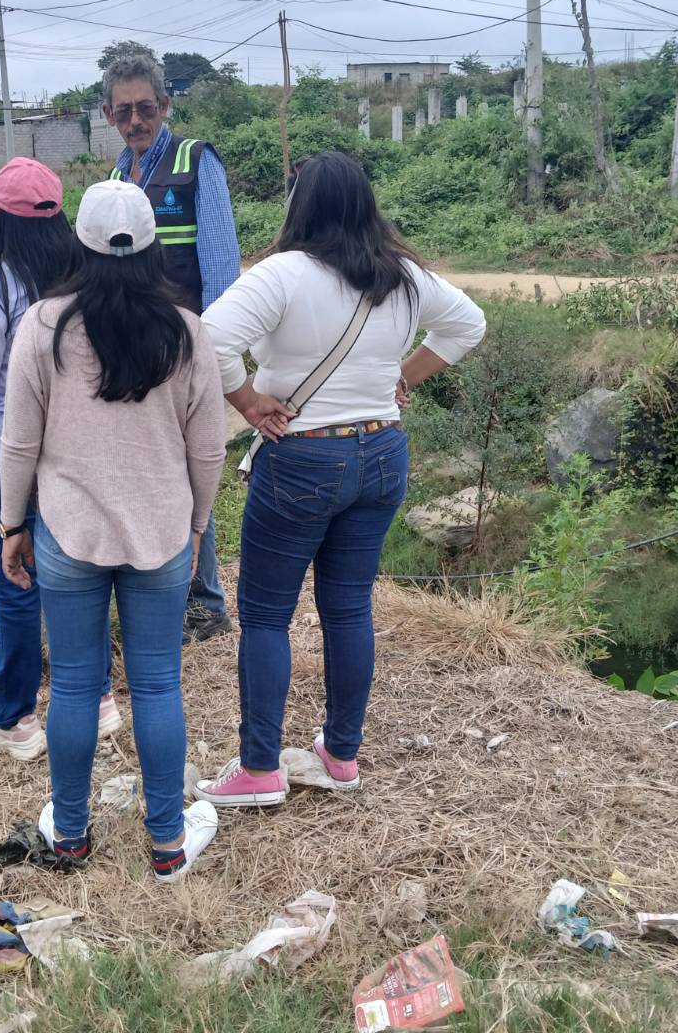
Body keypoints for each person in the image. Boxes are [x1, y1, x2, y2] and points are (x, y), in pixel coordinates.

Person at [194, 152, 486, 808]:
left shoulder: (281, 275)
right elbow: (469, 324)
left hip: (302, 457)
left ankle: (260, 768)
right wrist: (404, 376)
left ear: (298, 205)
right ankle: (341, 754)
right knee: (349, 607)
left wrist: (248, 402)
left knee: (266, 616)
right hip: (381, 451)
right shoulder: (403, 275)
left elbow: (209, 340)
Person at [0, 179, 226, 882]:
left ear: (80, 243)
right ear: (154, 246)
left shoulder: (43, 325)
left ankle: (69, 835)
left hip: (69, 532)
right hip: (161, 531)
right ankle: (166, 844)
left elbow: (19, 442)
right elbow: (208, 449)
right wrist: (198, 525)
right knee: (157, 685)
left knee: (72, 686)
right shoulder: (186, 331)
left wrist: (12, 523)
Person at [0, 157, 118, 762]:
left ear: (1, 219)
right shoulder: (86, 276)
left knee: (13, 579)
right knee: (79, 574)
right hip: (75, 454)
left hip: (3, 458)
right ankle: (97, 697)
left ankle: (15, 718)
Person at [102, 51, 240, 645]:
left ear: (165, 105)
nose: (136, 120)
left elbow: (222, 265)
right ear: (108, 115)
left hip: (185, 352)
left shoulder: (196, 162)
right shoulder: (115, 175)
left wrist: (212, 354)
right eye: (123, 111)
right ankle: (165, 590)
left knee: (187, 472)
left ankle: (205, 604)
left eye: (146, 107)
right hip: (132, 353)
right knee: (148, 470)